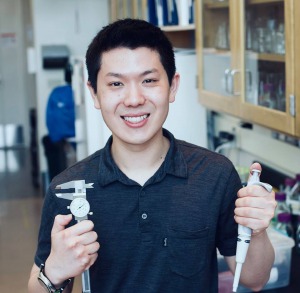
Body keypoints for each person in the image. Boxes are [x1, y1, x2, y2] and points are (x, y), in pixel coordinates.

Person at [28, 18, 276, 293]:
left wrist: (258, 230)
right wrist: (54, 271)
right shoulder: (69, 188)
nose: (134, 99)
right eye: (115, 84)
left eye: (148, 80)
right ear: (94, 94)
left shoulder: (215, 173)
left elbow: (255, 279)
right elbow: (37, 284)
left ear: (172, 86)